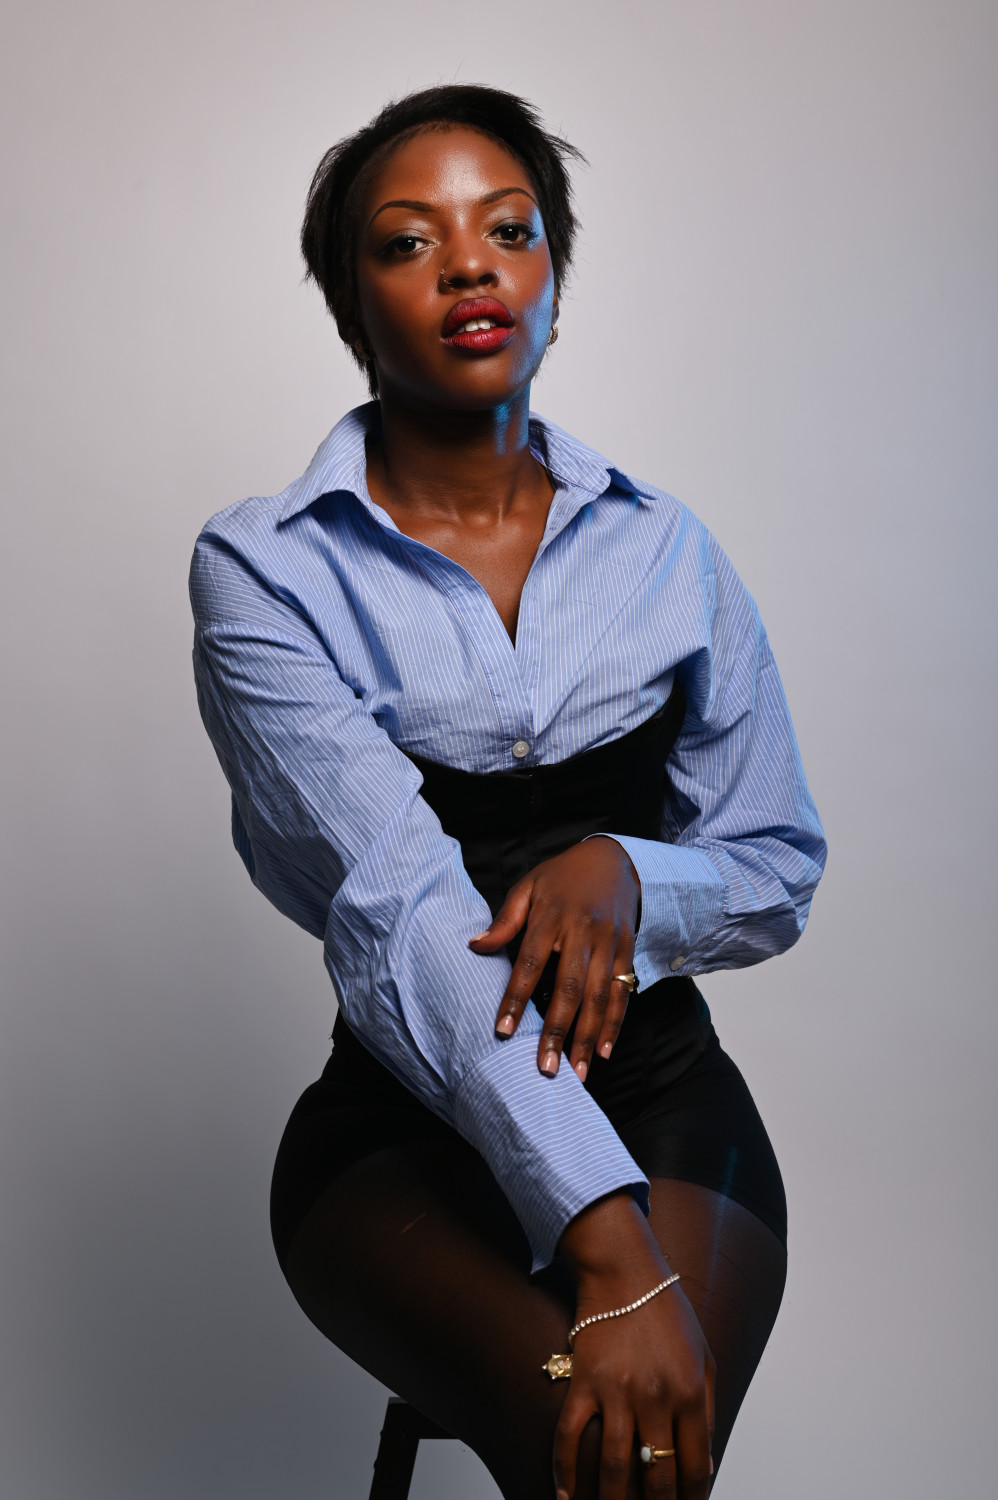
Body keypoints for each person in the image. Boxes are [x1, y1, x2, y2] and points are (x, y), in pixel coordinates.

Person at [190, 85, 826, 1500]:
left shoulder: (667, 553)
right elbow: (399, 905)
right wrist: (608, 1246)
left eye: (510, 230)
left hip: (663, 1102)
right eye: (409, 241)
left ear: (553, 278)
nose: (469, 266)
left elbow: (777, 862)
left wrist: (632, 872)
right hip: (400, 1140)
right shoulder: (265, 569)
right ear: (350, 303)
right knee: (591, 1457)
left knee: (649, 1465)